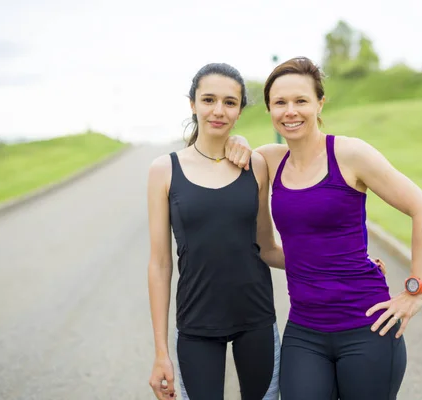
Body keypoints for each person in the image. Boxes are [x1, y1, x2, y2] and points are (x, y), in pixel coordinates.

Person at [226, 56, 422, 399]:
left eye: (301, 101)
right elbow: (268, 250)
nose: (290, 111)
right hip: (304, 332)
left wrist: (415, 290)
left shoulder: (351, 154)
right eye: (280, 102)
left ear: (319, 103)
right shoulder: (270, 160)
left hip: (367, 326)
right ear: (269, 109)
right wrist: (239, 143)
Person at [146, 62, 285, 400]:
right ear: (192, 104)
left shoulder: (256, 165)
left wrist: (342, 264)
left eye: (229, 102)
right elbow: (160, 265)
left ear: (239, 111)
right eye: (208, 100)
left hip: (257, 318)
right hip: (196, 324)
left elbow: (266, 245)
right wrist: (161, 352)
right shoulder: (164, 170)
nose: (218, 111)